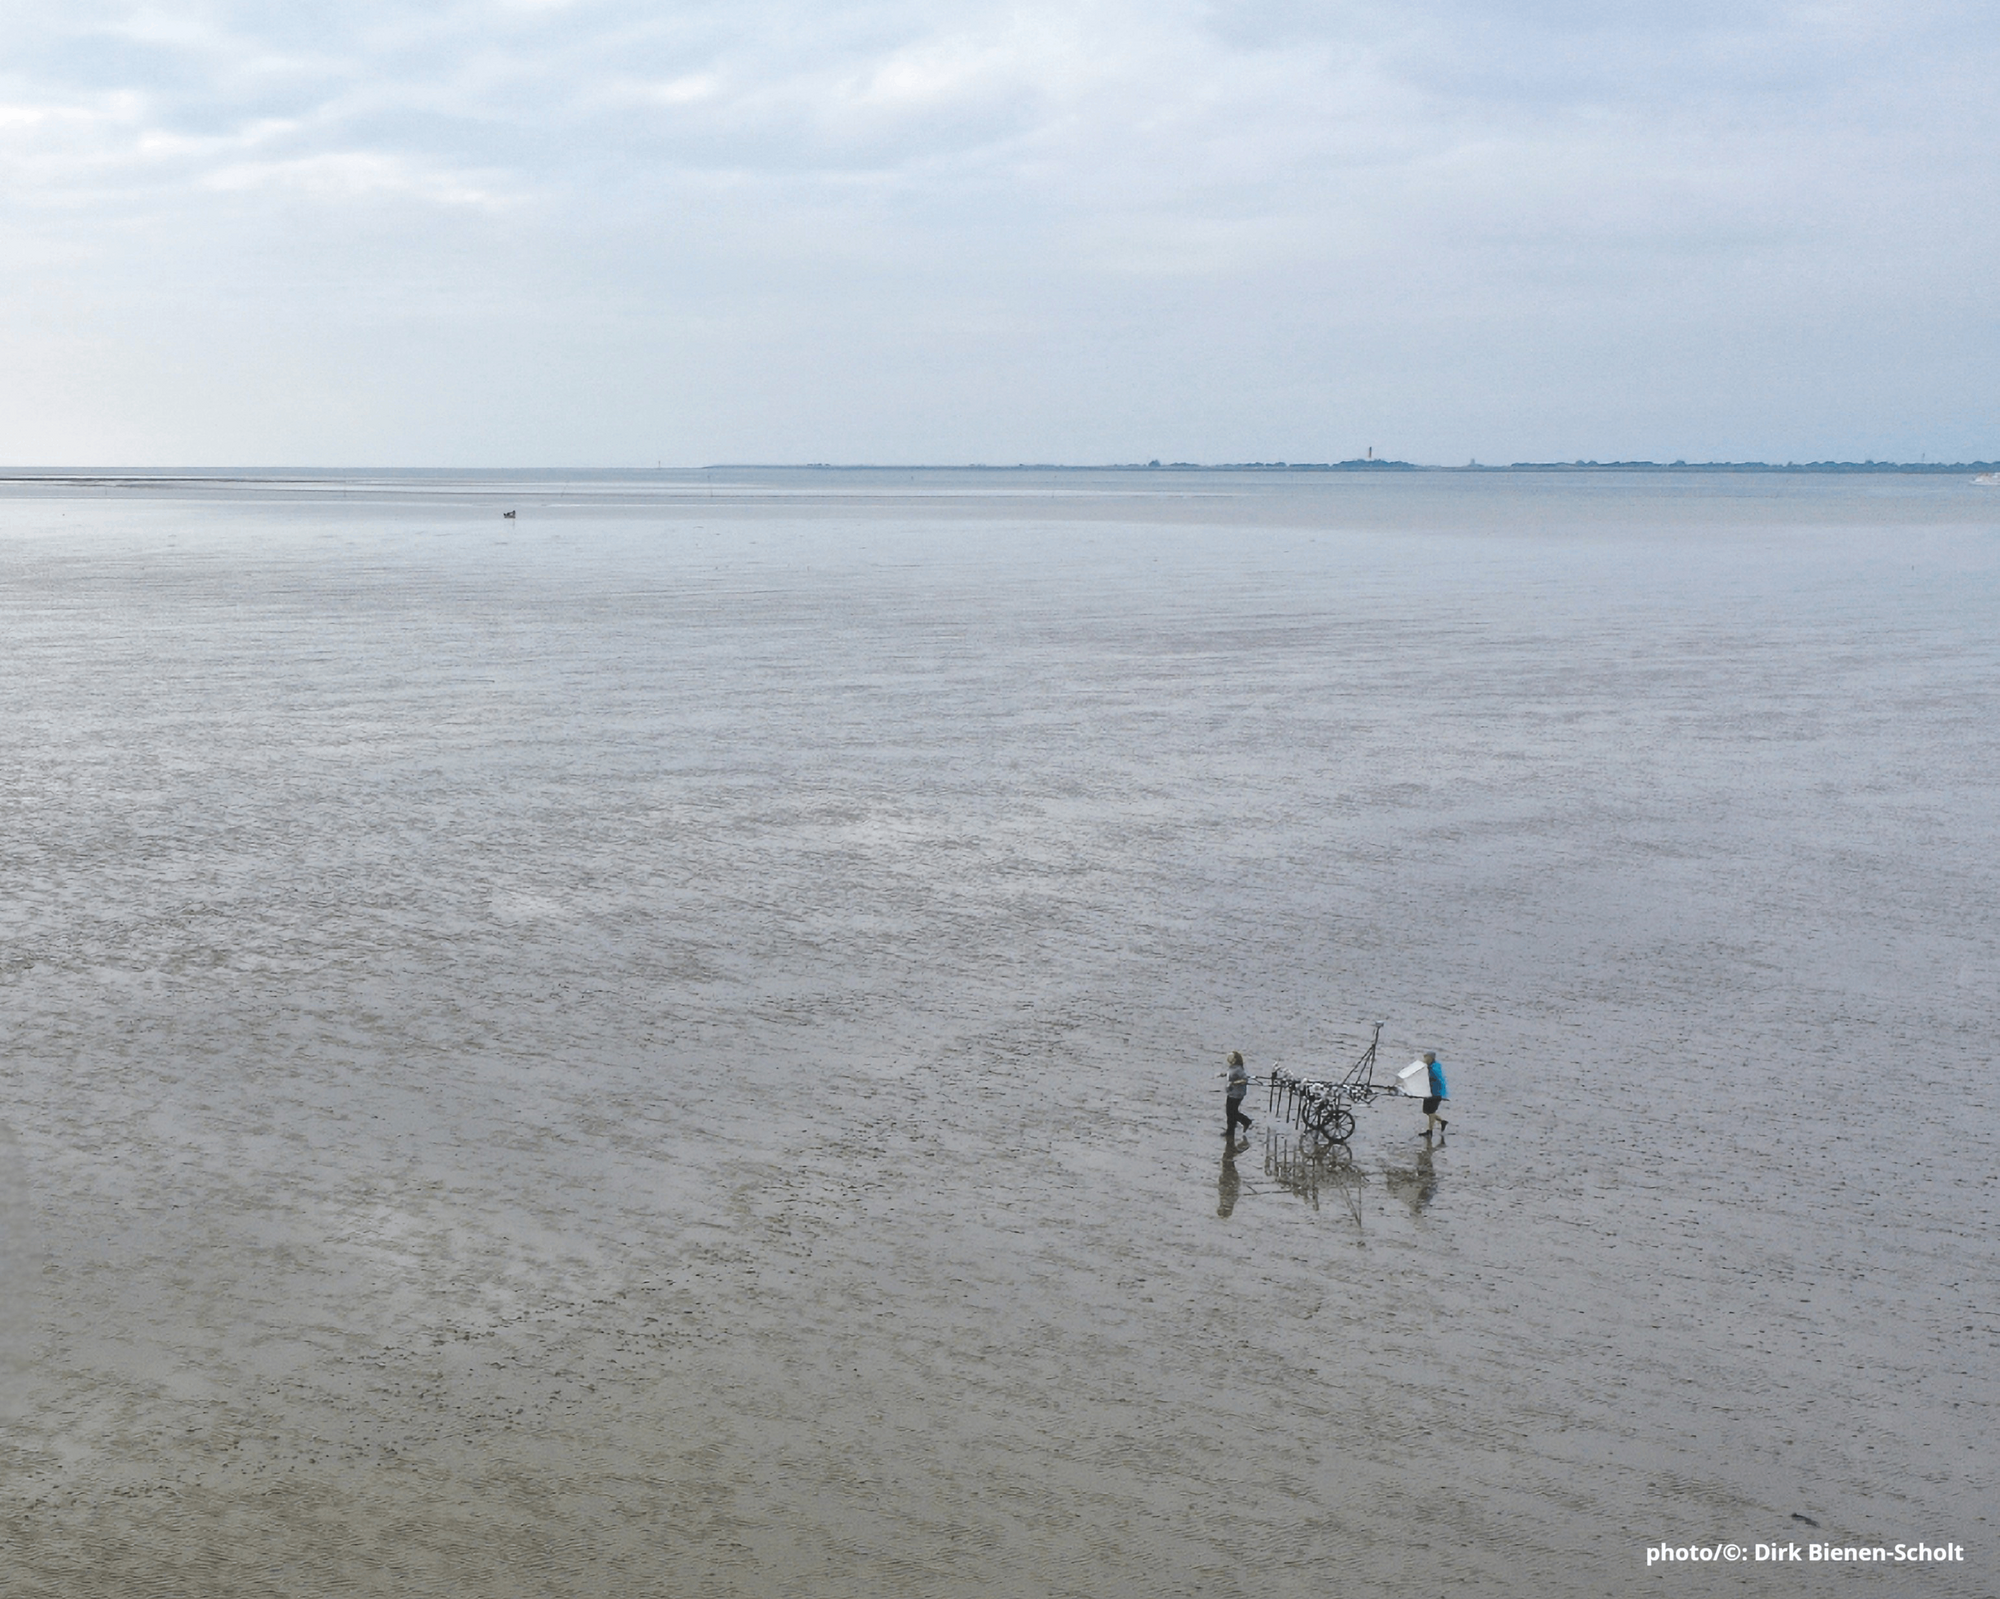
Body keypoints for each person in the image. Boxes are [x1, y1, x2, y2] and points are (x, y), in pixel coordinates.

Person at [1221, 1050, 1253, 1137]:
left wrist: (1234, 1083)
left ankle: (1246, 1121)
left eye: (1231, 1058)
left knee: (1232, 1112)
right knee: (1230, 1112)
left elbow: (1244, 1079)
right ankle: (1230, 1131)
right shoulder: (1232, 1067)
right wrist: (1223, 1074)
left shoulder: (1238, 1068)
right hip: (1231, 1093)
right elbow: (1230, 1074)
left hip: (1236, 1094)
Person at [1421, 1051, 1448, 1140]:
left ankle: (1430, 1131)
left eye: (1427, 1057)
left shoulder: (1434, 1068)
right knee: (1426, 1111)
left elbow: (1437, 1078)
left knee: (1431, 1112)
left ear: (1431, 1058)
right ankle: (1442, 1121)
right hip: (1428, 1092)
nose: (1425, 1059)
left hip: (1435, 1093)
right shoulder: (1429, 1067)